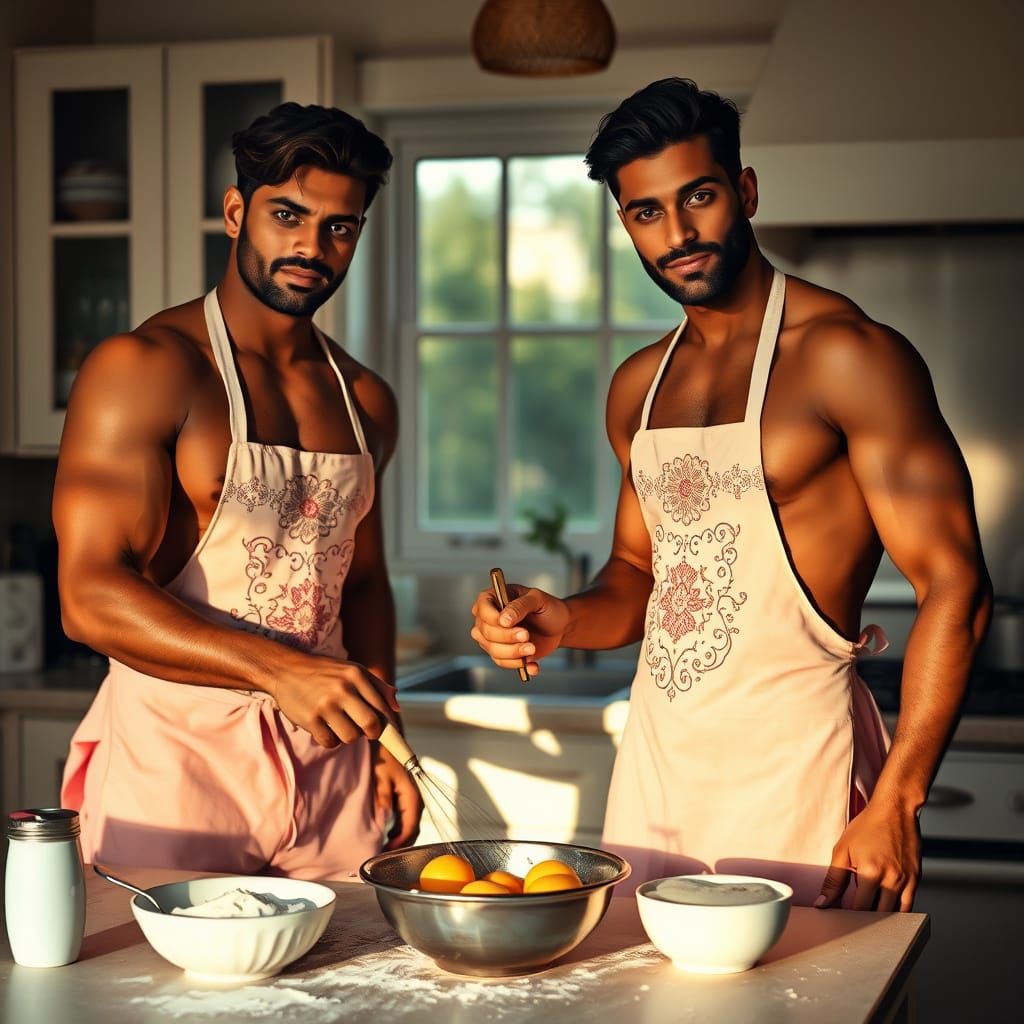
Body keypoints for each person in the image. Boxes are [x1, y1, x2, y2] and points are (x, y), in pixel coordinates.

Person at [470, 78, 992, 910]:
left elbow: (956, 585)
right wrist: (561, 617)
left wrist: (896, 796)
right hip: (658, 777)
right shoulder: (637, 387)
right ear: (625, 224)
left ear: (744, 191)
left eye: (699, 198)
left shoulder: (848, 356)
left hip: (800, 775)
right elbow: (637, 576)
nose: (677, 234)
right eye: (646, 212)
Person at [57, 103, 422, 879]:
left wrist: (387, 734)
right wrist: (280, 670)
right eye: (287, 214)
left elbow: (362, 583)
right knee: (161, 998)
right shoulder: (147, 369)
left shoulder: (367, 400)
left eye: (340, 227)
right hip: (177, 767)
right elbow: (88, 595)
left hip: (330, 773)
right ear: (235, 211)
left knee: (348, 992)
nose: (311, 246)